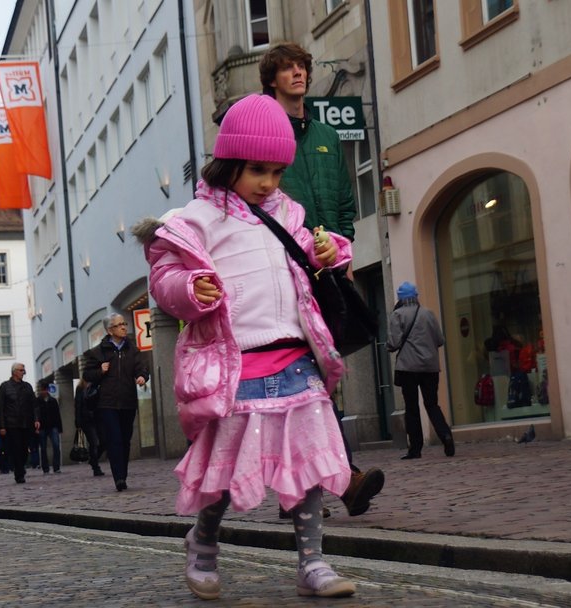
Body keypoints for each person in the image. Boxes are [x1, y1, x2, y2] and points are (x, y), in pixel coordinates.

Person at [135, 94, 356, 599]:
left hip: (296, 355)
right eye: (258, 170)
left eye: (277, 172)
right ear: (229, 162)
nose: (268, 183)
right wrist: (190, 290)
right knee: (225, 470)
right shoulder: (198, 218)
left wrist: (330, 249)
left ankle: (313, 563)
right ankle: (204, 544)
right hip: (237, 365)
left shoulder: (286, 213)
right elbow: (164, 274)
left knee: (308, 465)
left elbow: (317, 256)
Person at [259, 42, 384, 517]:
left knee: (315, 378)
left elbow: (345, 202)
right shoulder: (267, 135)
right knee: (304, 376)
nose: (298, 74)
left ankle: (309, 488)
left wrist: (346, 250)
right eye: (288, 68)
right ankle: (337, 480)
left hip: (330, 266)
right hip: (286, 267)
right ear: (272, 77)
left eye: (302, 67)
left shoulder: (326, 133)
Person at [82, 314, 149, 492]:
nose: (124, 327)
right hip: (107, 404)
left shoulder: (132, 350)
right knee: (114, 440)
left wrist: (142, 376)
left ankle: (123, 474)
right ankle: (119, 478)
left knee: (125, 440)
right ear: (109, 330)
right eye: (119, 325)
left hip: (128, 401)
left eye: (124, 324)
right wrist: (100, 371)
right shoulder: (98, 352)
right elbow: (87, 375)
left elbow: (141, 367)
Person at [387, 282, 454, 460]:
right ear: (416, 296)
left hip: (408, 367)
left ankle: (415, 449)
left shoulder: (397, 315)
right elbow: (440, 340)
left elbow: (393, 344)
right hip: (430, 367)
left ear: (400, 298)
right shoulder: (428, 313)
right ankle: (446, 435)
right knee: (432, 404)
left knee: (412, 407)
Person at [0, 363, 40, 484]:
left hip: (26, 422)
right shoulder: (5, 386)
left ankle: (20, 467)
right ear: (14, 372)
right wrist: (2, 426)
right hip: (12, 423)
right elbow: (1, 408)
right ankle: (19, 473)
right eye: (21, 370)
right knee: (16, 448)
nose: (23, 372)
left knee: (25, 449)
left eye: (24, 370)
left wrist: (36, 419)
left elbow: (34, 405)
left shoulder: (27, 387)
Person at [74, 377, 104, 476]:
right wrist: (78, 422)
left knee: (103, 441)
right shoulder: (80, 388)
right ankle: (96, 467)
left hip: (98, 417)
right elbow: (78, 405)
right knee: (94, 442)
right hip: (86, 419)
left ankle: (93, 459)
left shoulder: (96, 385)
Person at [35, 379, 63, 474]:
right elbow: (35, 414)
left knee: (56, 446)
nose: (43, 391)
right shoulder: (37, 401)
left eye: (44, 389)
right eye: (42, 390)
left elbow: (57, 415)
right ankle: (45, 468)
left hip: (53, 426)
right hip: (42, 427)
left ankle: (56, 467)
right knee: (43, 448)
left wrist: (59, 428)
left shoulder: (53, 400)